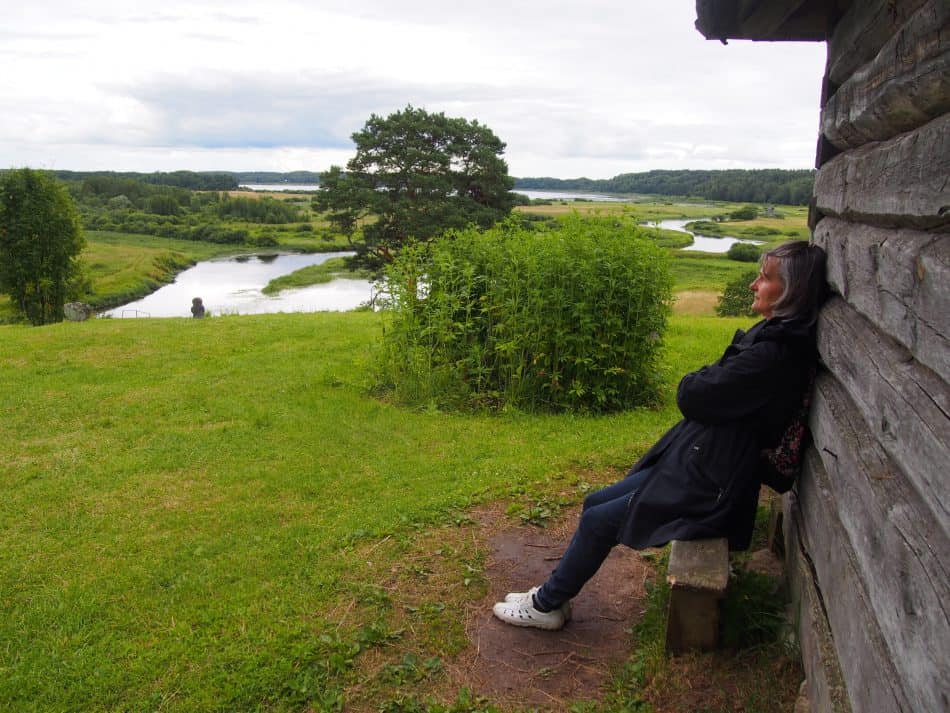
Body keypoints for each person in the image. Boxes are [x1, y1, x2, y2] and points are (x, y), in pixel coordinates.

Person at [492, 240, 828, 630]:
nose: (754, 285)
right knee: (595, 503)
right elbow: (709, 388)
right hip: (702, 460)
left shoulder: (773, 355)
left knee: (601, 521)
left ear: (792, 290)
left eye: (765, 278)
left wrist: (704, 378)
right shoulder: (776, 338)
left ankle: (546, 605)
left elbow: (692, 393)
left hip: (712, 482)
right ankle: (555, 594)